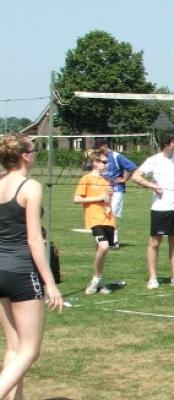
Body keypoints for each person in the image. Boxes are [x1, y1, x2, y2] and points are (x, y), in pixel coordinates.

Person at [0, 134, 63, 399]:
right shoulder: (30, 187)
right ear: (25, 156)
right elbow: (35, 240)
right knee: (29, 350)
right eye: (34, 150)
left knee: (14, 347)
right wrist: (50, 283)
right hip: (21, 272)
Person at [131, 134, 174, 289]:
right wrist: (153, 186)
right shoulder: (154, 160)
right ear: (166, 144)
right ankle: (153, 278)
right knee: (155, 242)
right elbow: (136, 177)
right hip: (159, 208)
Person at [73, 149, 116, 295]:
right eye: (104, 162)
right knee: (103, 246)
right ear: (95, 163)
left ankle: (98, 282)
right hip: (94, 219)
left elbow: (107, 199)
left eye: (107, 162)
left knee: (102, 251)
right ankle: (96, 278)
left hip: (108, 219)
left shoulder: (107, 180)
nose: (106, 164)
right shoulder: (86, 179)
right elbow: (76, 199)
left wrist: (109, 198)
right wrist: (99, 198)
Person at [95, 139, 137, 248]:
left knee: (111, 214)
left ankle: (114, 241)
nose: (99, 150)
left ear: (105, 145)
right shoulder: (99, 158)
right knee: (102, 214)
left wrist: (125, 179)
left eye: (100, 147)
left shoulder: (116, 156)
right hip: (104, 189)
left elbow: (132, 167)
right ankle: (104, 240)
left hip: (117, 189)